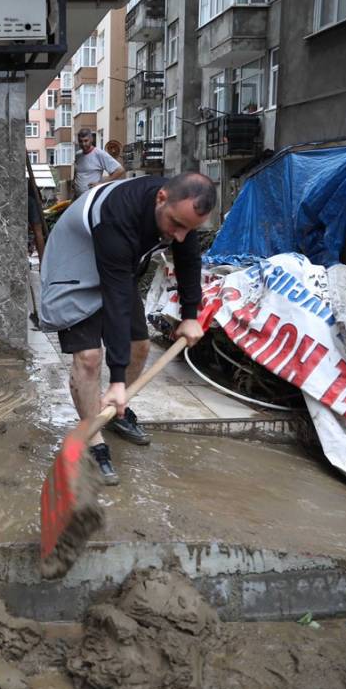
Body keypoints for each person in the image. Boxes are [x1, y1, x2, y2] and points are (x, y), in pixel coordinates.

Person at [38, 172, 216, 485]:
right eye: (176, 224)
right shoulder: (119, 215)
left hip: (117, 265)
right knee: (89, 357)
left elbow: (189, 259)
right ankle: (93, 437)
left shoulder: (178, 214)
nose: (179, 236)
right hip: (76, 265)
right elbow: (117, 299)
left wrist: (190, 314)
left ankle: (114, 410)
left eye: (189, 229)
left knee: (141, 345)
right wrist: (117, 377)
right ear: (161, 198)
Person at [72, 128, 125, 198]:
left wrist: (101, 184)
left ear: (91, 139)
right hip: (78, 197)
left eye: (86, 141)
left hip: (92, 198)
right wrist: (74, 182)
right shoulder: (78, 155)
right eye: (80, 141)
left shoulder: (99, 154)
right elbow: (77, 170)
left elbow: (120, 170)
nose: (83, 144)